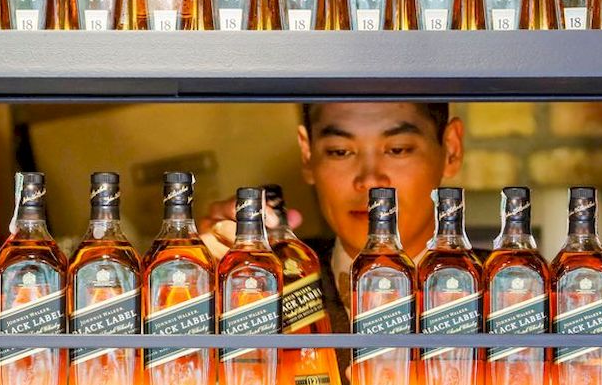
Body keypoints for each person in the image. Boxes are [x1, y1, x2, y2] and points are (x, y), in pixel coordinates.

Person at [199, 101, 464, 340]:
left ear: (451, 150)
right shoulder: (273, 282)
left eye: (397, 149)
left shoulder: (498, 289)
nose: (370, 180)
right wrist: (203, 288)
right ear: (307, 153)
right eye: (340, 152)